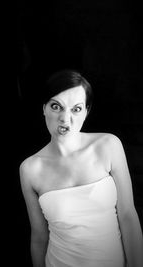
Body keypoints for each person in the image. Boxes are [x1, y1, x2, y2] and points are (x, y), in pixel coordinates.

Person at [19, 69, 143, 267]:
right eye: (56, 106)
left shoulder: (109, 145)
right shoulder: (30, 169)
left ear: (86, 111)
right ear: (44, 108)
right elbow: (39, 237)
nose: (64, 119)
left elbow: (127, 215)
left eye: (75, 109)